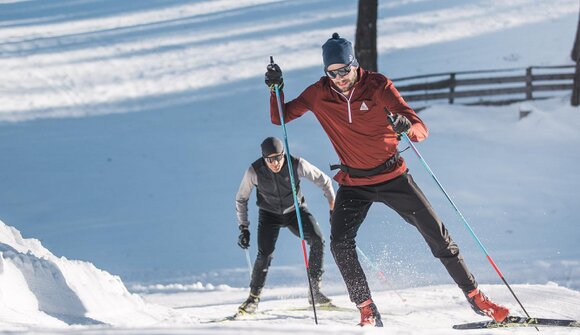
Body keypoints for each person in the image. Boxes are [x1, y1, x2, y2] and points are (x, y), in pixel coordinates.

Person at [264, 33, 510, 327]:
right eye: (332, 72)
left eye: (344, 70)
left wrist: (406, 126)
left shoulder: (378, 86)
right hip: (354, 183)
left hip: (393, 176)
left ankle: (475, 296)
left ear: (354, 65)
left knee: (436, 234)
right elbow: (281, 117)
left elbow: (421, 129)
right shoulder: (319, 93)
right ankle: (366, 307)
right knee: (340, 243)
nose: (340, 77)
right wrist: (275, 89)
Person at [235, 136, 336, 315]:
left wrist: (332, 209)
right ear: (264, 158)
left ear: (283, 154)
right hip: (269, 215)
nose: (275, 163)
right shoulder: (254, 171)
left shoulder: (297, 164)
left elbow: (325, 181)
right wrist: (244, 227)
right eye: (270, 160)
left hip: (295, 211)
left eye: (278, 158)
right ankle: (253, 298)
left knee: (318, 240)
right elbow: (241, 198)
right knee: (264, 253)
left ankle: (315, 292)